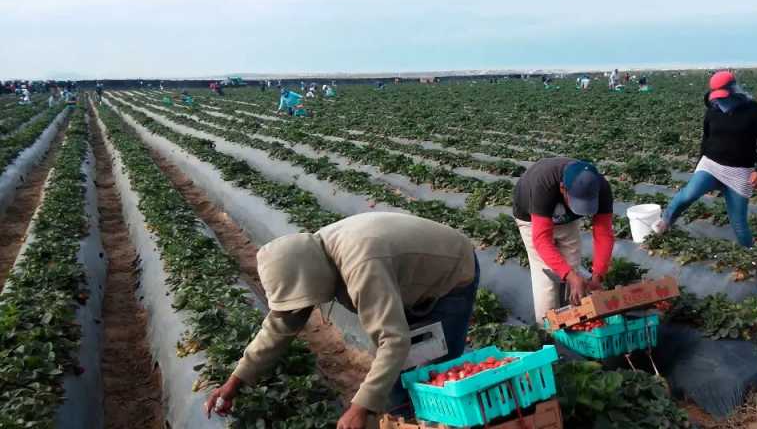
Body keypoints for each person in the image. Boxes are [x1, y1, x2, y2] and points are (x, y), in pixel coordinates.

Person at [203, 213, 479, 429]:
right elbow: (279, 326)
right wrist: (234, 382)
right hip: (406, 284)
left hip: (450, 277)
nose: (303, 306)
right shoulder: (312, 259)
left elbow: (395, 341)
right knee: (397, 382)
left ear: (310, 279)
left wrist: (359, 408)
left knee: (433, 381)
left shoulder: (360, 266)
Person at [653, 71, 757, 248]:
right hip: (711, 165)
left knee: (739, 223)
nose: (720, 101)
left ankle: (752, 258)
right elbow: (706, 139)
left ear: (734, 91)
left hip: (740, 171)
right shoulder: (713, 109)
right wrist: (698, 166)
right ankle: (664, 223)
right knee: (688, 194)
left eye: (723, 97)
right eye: (716, 98)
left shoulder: (754, 110)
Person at [512, 158, 614, 322]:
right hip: (531, 218)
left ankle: (573, 320)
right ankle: (548, 327)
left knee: (572, 263)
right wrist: (570, 276)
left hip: (566, 219)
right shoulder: (543, 184)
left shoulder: (601, 187)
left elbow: (604, 234)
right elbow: (541, 240)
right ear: (562, 188)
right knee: (546, 274)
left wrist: (597, 276)